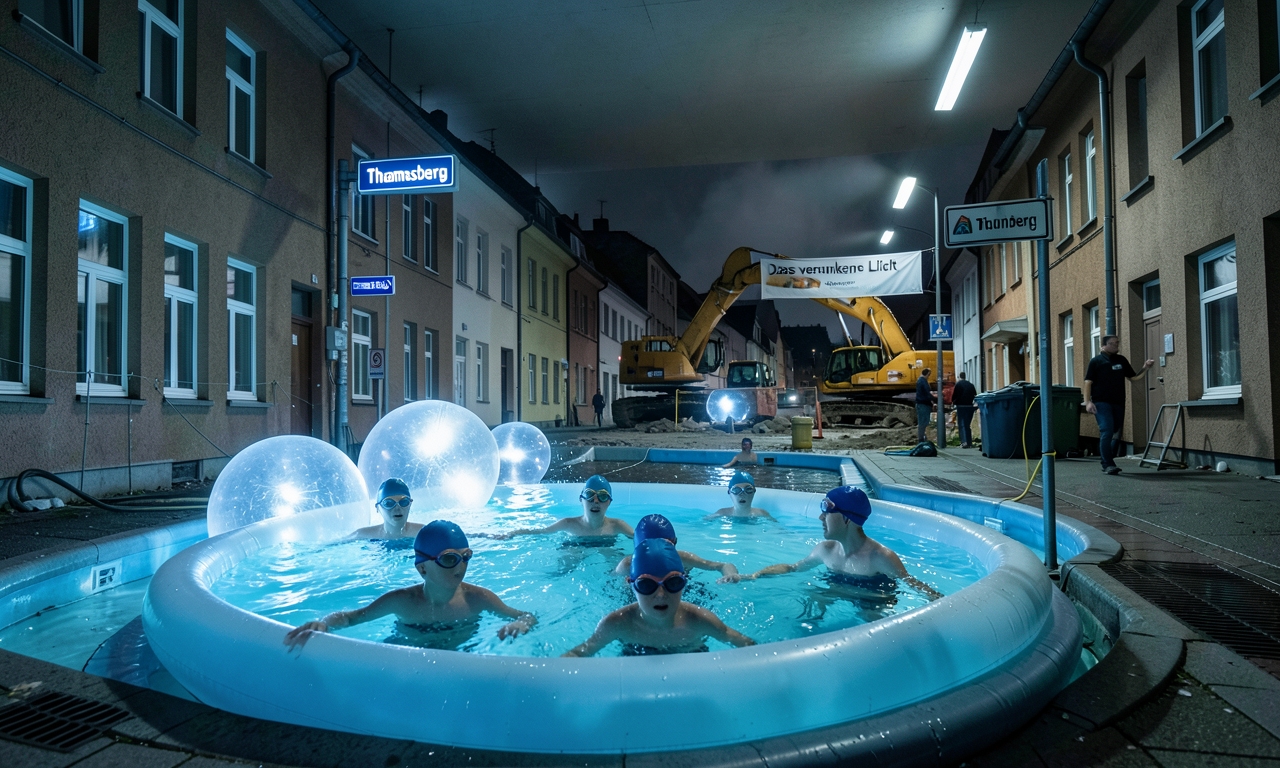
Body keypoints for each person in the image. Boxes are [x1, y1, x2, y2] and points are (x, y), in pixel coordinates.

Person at [284, 521, 536, 650]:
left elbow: (527, 615)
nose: (461, 566)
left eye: (466, 556)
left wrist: (521, 622)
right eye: (450, 559)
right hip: (406, 656)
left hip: (461, 657)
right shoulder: (402, 601)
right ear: (422, 568)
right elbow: (350, 618)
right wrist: (323, 622)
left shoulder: (478, 598)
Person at [722, 486, 942, 601]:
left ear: (847, 518)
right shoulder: (826, 550)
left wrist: (939, 600)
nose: (820, 518)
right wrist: (752, 576)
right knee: (812, 601)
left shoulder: (880, 557)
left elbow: (912, 586)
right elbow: (793, 568)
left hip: (872, 599)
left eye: (826, 511)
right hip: (836, 586)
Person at [564, 539, 756, 656]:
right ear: (631, 585)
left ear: (684, 583)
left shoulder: (700, 621)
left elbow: (748, 647)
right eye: (647, 585)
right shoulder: (617, 623)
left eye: (673, 583)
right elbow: (579, 654)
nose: (661, 594)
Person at [1083, 334, 1155, 475]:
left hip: (1118, 402)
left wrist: (1145, 368)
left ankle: (1110, 458)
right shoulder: (1096, 361)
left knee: (1115, 431)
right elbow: (1088, 382)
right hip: (1101, 402)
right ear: (1103, 345)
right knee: (1106, 430)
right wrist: (1087, 402)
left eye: (1117, 343)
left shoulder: (1121, 360)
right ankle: (1107, 464)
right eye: (1112, 343)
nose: (1116, 345)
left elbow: (1133, 377)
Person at [491, 475, 634, 540]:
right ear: (581, 500)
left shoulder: (617, 526)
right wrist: (512, 533)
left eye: (602, 496)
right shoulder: (568, 524)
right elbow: (540, 532)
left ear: (609, 502)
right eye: (589, 495)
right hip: (575, 548)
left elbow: (641, 539)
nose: (595, 501)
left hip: (606, 551)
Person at [613, 514, 739, 580]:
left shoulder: (683, 558)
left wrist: (730, 575)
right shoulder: (628, 564)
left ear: (674, 544)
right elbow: (612, 583)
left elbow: (723, 565)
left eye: (664, 546)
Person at [348, 477, 423, 540]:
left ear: (410, 504)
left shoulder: (425, 533)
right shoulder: (361, 535)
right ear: (378, 508)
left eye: (403, 502)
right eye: (389, 503)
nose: (397, 508)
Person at [706, 470, 774, 519]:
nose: (742, 494)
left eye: (748, 489)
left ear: (754, 491)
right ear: (729, 492)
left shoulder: (762, 514)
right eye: (736, 490)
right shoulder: (721, 514)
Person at [952, 372, 978, 449]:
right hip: (970, 406)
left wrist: (954, 402)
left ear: (959, 377)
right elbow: (975, 395)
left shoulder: (958, 385)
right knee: (967, 425)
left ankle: (964, 442)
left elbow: (955, 396)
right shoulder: (971, 385)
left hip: (961, 406)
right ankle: (969, 442)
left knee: (962, 424)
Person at [915, 368, 934, 444]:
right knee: (923, 422)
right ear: (927, 374)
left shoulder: (920, 381)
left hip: (922, 403)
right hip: (924, 403)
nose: (929, 376)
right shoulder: (923, 381)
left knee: (922, 422)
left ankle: (922, 437)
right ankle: (921, 438)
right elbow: (926, 392)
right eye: (929, 375)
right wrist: (933, 400)